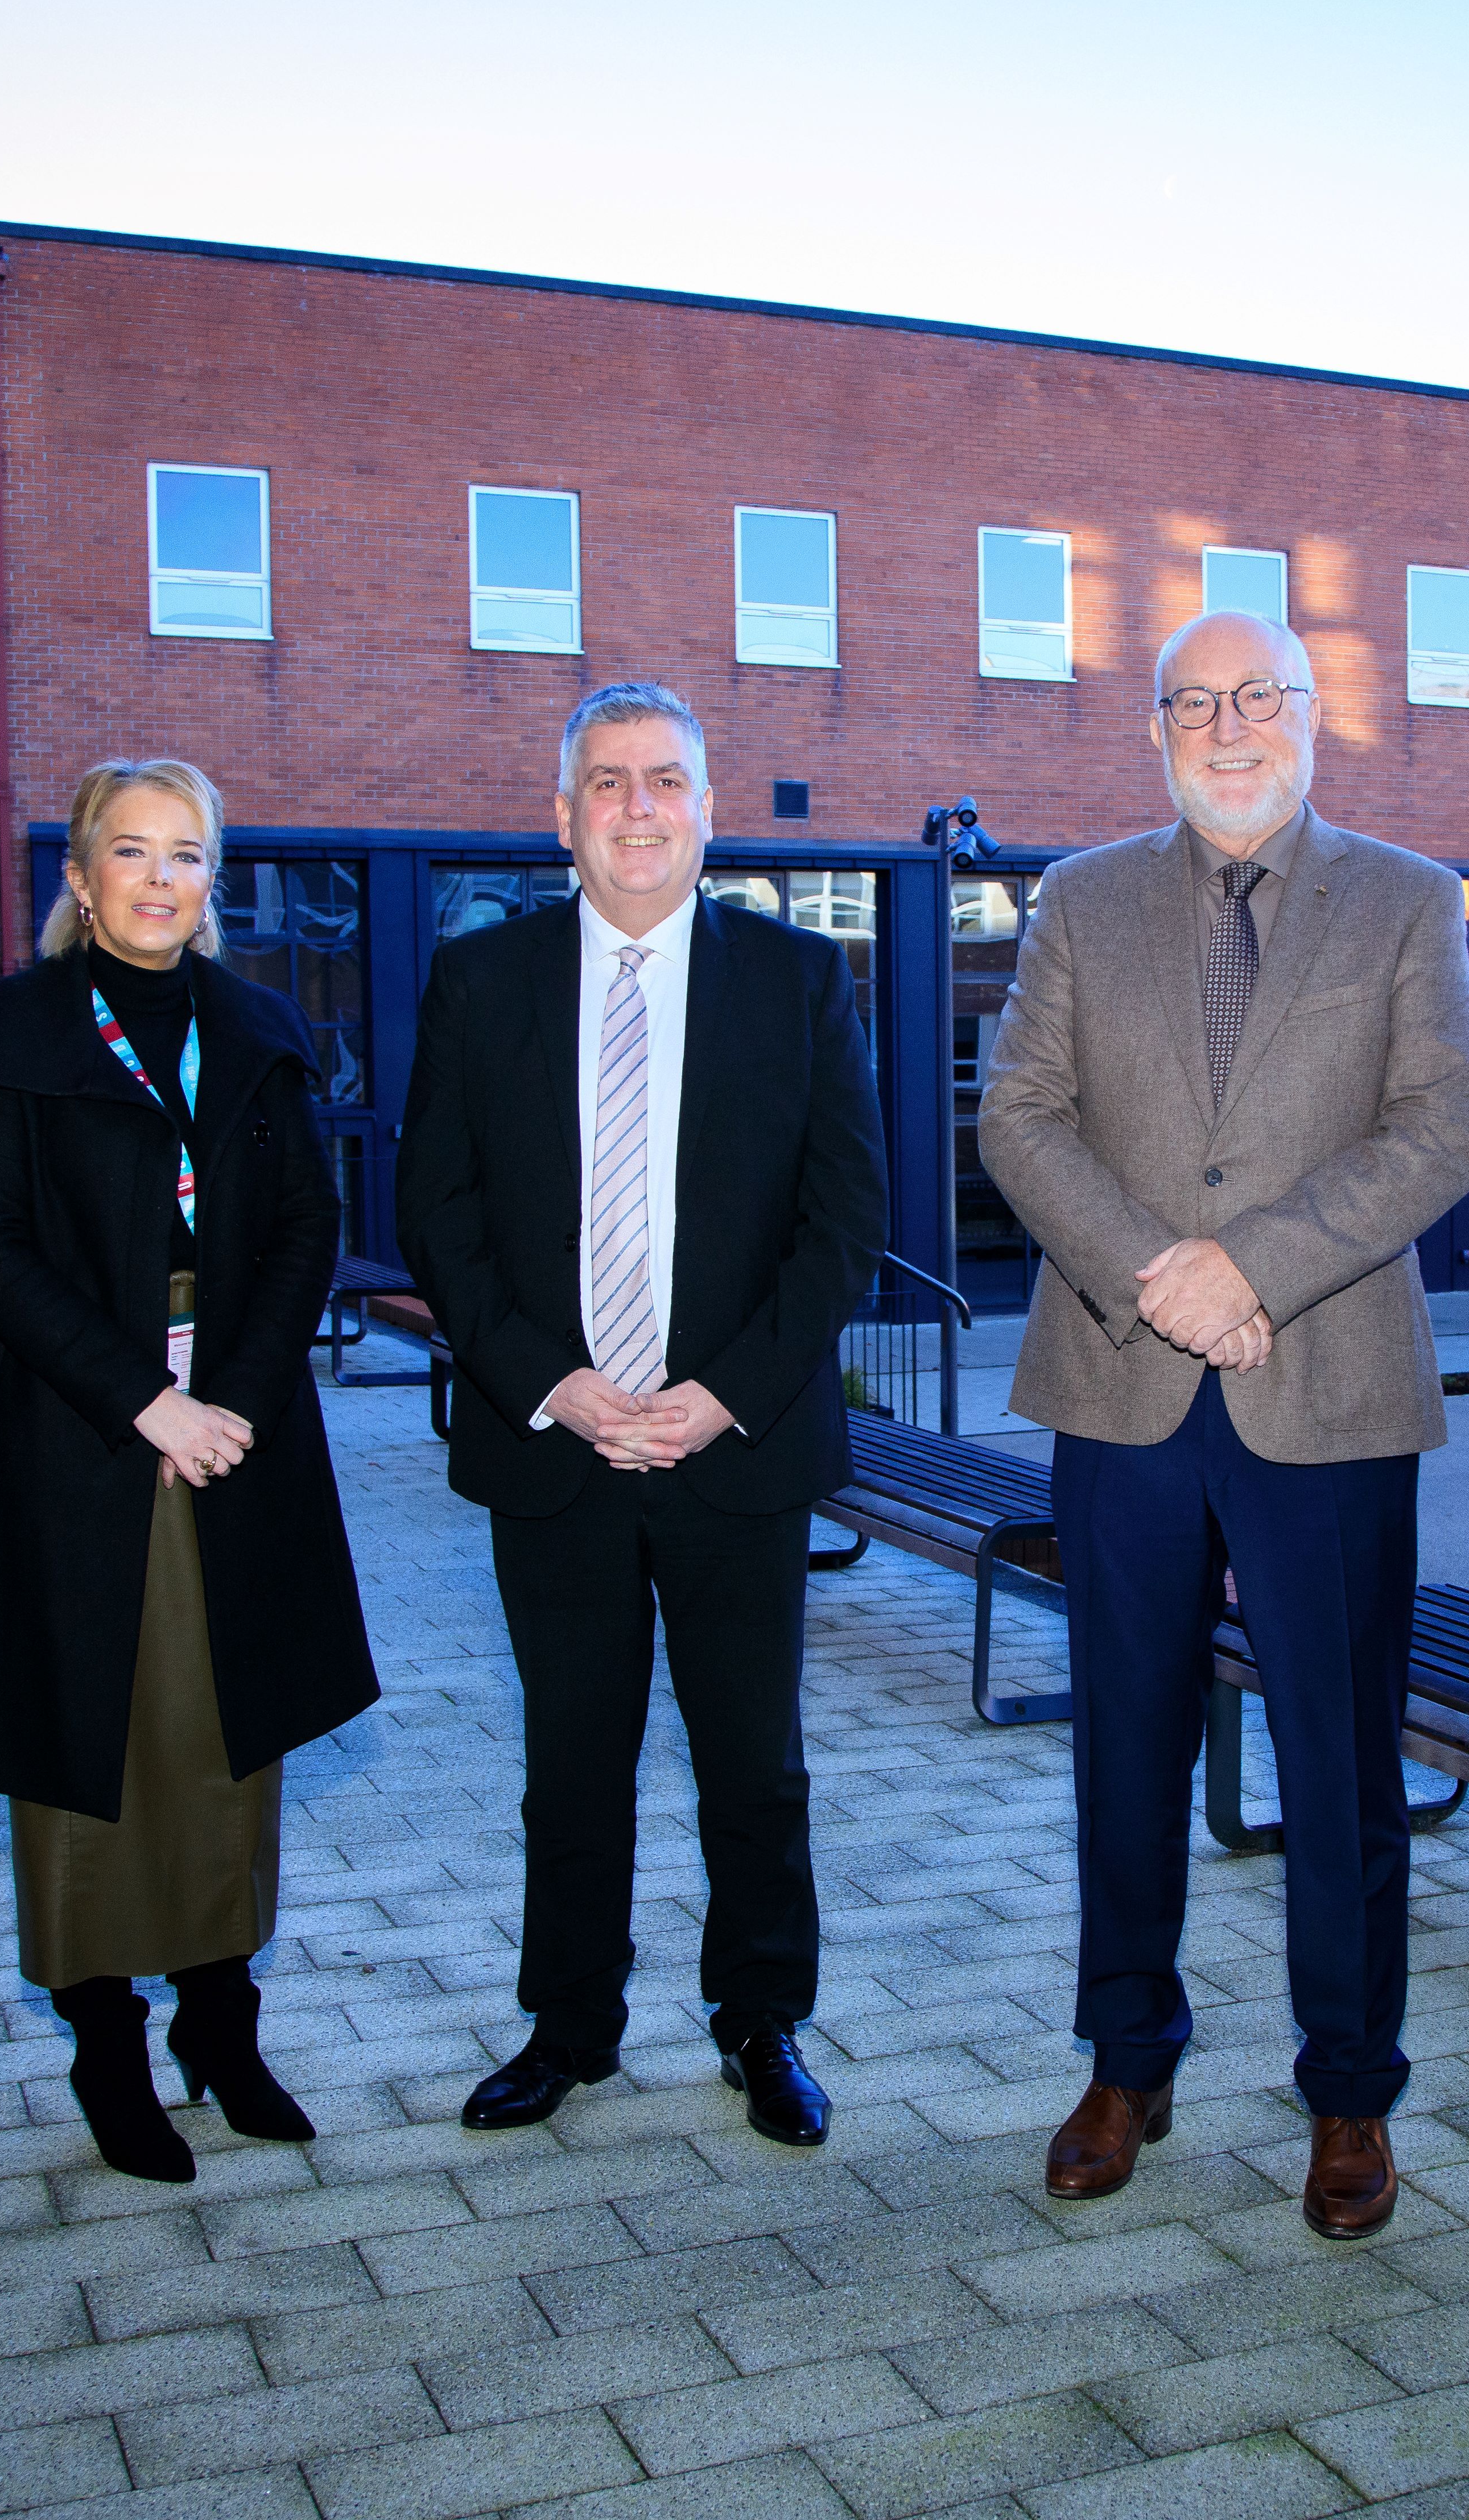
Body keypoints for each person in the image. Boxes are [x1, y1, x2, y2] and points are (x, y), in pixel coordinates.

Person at [979, 612, 1469, 2241]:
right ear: (1155, 732)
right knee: (1121, 1748)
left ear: (1313, 715)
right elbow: (1023, 1117)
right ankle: (1129, 2056)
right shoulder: (1083, 900)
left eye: (1257, 695)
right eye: (1193, 701)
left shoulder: (1408, 899)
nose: (1228, 724)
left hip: (1326, 1387)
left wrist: (1247, 1268)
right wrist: (1160, 1277)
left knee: (1339, 1766)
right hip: (1122, 1392)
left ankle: (1350, 2089)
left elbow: (1443, 1128)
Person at [395, 680, 884, 2146]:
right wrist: (553, 1381)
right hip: (558, 1444)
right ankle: (570, 2021)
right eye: (604, 782)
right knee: (573, 1754)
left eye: (664, 780)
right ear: (562, 817)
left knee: (755, 1756)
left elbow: (843, 1225)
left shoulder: (800, 982)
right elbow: (437, 1213)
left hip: (733, 1445)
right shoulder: (481, 982)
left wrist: (719, 1395)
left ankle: (762, 2018)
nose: (635, 808)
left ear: (708, 809)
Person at [0, 757, 379, 2183]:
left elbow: (310, 1224)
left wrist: (228, 1397)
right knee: (88, 1744)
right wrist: (144, 1404)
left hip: (239, 1437)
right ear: (80, 874)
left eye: (189, 853)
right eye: (132, 849)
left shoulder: (256, 1027)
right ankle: (106, 2041)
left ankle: (222, 2027)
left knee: (228, 1740)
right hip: (73, 1437)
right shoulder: (15, 1028)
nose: (162, 877)